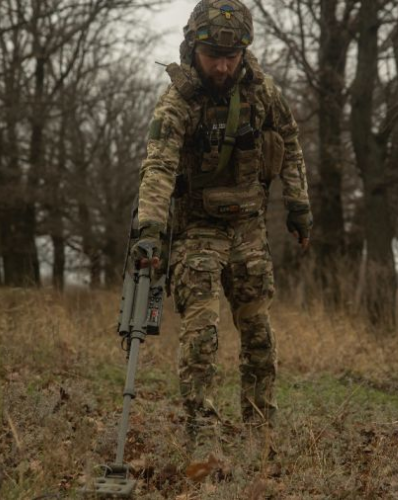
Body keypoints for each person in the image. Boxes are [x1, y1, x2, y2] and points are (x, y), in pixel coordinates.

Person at [133, 0, 312, 457]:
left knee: (258, 333)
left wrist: (298, 206)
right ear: (194, 48)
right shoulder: (178, 102)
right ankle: (202, 434)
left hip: (249, 227)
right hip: (197, 228)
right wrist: (150, 229)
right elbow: (157, 166)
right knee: (201, 333)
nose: (222, 65)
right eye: (213, 54)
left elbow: (289, 142)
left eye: (231, 57)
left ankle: (259, 429)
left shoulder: (263, 92)